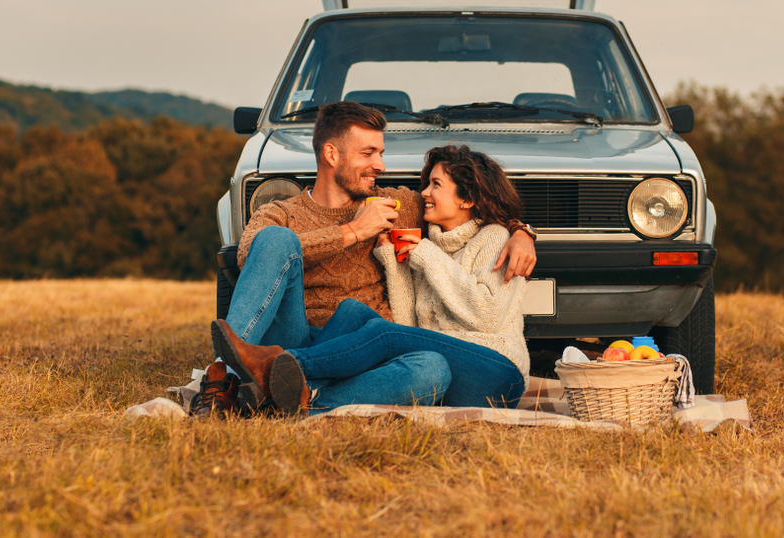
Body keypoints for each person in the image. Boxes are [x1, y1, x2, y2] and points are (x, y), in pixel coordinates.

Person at [192, 102, 537, 416]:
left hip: (363, 355)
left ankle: (290, 399)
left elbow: (472, 205)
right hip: (295, 336)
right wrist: (353, 232)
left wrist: (521, 231)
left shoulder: (392, 206)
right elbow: (248, 257)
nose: (381, 165)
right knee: (276, 240)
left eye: (380, 153)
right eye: (369, 153)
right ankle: (224, 375)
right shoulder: (281, 212)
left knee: (422, 363)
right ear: (331, 154)